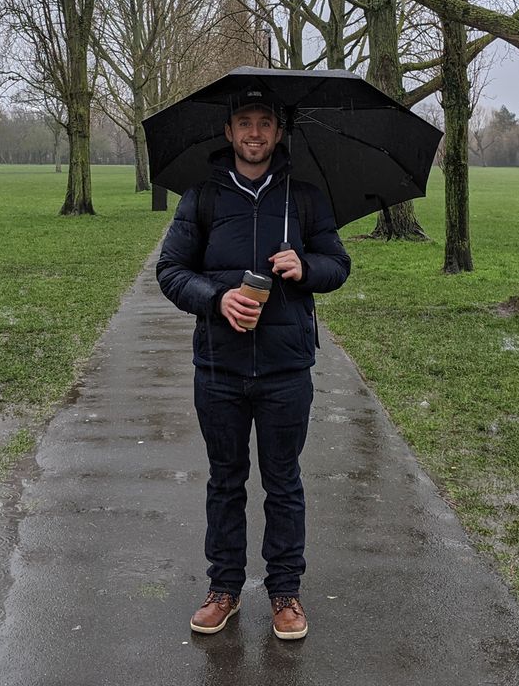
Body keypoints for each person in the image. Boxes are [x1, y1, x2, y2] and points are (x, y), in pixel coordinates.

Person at [156, 90, 351, 640]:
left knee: (283, 481)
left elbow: (339, 265)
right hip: (218, 366)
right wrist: (217, 299)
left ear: (278, 132)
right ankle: (224, 588)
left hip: (286, 368)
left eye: (265, 123)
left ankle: (285, 592)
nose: (255, 133)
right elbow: (170, 271)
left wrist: (305, 265)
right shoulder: (202, 198)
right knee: (225, 479)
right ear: (228, 132)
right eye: (245, 123)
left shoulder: (306, 199)